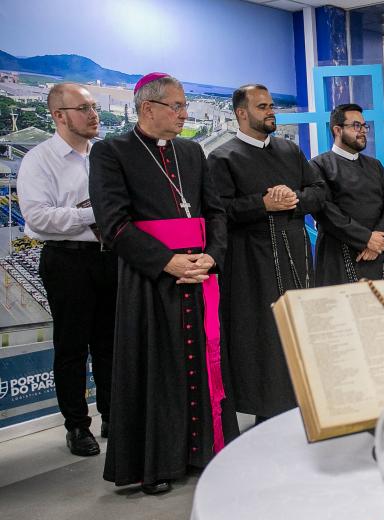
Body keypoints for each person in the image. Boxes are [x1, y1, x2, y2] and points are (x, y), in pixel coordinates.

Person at [89, 73, 238, 494]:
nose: (185, 114)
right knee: (158, 368)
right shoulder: (111, 152)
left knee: (203, 363)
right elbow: (113, 223)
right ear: (147, 108)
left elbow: (215, 212)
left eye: (184, 106)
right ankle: (158, 462)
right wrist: (167, 263)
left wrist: (213, 254)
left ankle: (206, 449)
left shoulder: (191, 151)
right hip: (151, 278)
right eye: (177, 106)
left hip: (200, 271)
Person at [207, 84, 325, 423]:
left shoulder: (290, 151)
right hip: (251, 265)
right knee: (264, 337)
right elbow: (220, 210)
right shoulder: (223, 158)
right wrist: (262, 203)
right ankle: (268, 414)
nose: (271, 111)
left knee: (299, 332)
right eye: (262, 106)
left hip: (297, 258)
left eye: (272, 105)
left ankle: (306, 406)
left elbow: (318, 192)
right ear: (242, 113)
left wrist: (294, 200)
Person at [17, 83, 116, 457]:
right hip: (67, 261)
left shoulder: (103, 155)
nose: (94, 115)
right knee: (72, 348)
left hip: (108, 257)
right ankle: (77, 426)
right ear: (59, 115)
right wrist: (95, 213)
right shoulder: (39, 160)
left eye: (94, 107)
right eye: (83, 108)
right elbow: (38, 219)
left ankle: (112, 415)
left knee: (109, 343)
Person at [310, 103, 384, 285]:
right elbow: (324, 211)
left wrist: (377, 239)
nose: (363, 131)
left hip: (377, 252)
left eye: (364, 126)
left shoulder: (375, 165)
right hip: (338, 253)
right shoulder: (319, 166)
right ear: (337, 130)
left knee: (383, 310)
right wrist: (366, 239)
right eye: (356, 126)